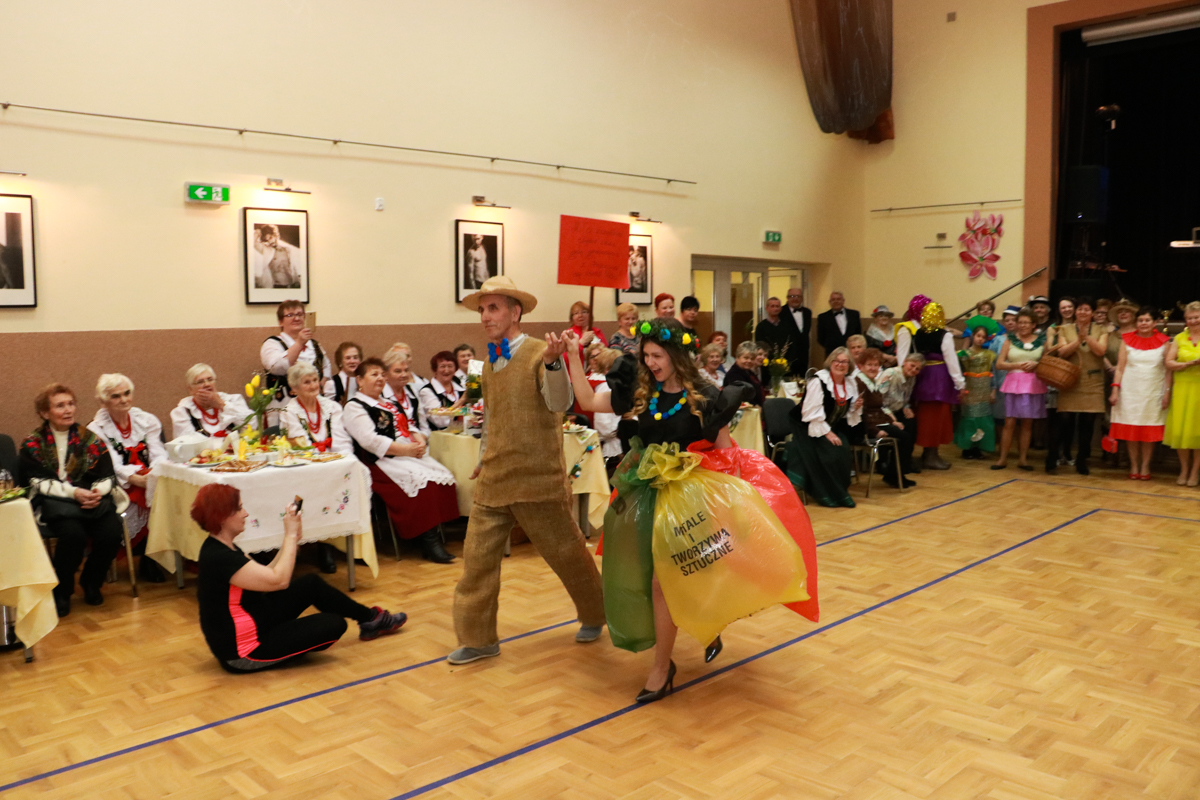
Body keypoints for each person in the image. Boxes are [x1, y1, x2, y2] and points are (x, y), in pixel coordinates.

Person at [564, 318, 806, 703]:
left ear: (676, 355)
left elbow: (727, 455)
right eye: (646, 356)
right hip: (648, 495)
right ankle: (699, 630)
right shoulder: (642, 391)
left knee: (671, 580)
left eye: (658, 355)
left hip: (692, 499)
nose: (651, 363)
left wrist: (730, 508)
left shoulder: (705, 397)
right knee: (657, 577)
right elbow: (589, 401)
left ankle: (662, 668)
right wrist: (573, 356)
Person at [449, 276, 605, 665]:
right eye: (482, 309)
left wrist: (553, 362)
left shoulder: (540, 352)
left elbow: (560, 402)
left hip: (537, 480)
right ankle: (478, 639)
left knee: (568, 555)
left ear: (515, 312)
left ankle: (597, 613)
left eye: (494, 308)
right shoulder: (488, 364)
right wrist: (483, 456)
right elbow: (492, 418)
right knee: (476, 562)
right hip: (495, 478)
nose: (486, 316)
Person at [192, 484, 405, 674]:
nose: (245, 513)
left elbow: (264, 575)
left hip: (257, 621)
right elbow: (279, 581)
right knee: (333, 624)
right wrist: (290, 536)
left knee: (310, 583)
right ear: (222, 517)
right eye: (239, 509)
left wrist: (291, 541)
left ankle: (371, 619)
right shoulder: (220, 557)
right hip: (245, 652)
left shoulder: (220, 547)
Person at [341, 357, 459, 563]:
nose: (380, 378)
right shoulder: (355, 406)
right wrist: (406, 450)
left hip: (407, 452)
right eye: (374, 374)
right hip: (380, 462)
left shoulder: (389, 403)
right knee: (424, 484)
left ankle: (428, 535)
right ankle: (429, 541)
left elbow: (408, 426)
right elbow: (370, 441)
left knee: (444, 477)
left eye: (382, 374)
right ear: (359, 380)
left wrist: (419, 439)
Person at [21, 384, 126, 616]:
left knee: (111, 533)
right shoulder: (33, 444)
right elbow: (37, 482)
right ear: (45, 413)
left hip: (92, 502)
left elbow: (108, 476)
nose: (68, 410)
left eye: (70, 404)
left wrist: (97, 492)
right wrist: (74, 493)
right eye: (60, 406)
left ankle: (92, 582)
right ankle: (62, 591)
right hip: (59, 504)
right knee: (73, 536)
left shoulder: (90, 439)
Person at [88, 373, 168, 583]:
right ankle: (146, 558)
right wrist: (136, 479)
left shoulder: (147, 420)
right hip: (117, 482)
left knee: (169, 492)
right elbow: (112, 465)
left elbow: (158, 452)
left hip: (149, 476)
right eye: (116, 396)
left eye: (126, 393)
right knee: (149, 495)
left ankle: (153, 557)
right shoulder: (96, 429)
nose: (124, 400)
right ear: (103, 401)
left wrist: (154, 473)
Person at [895, 297, 965, 470]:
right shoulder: (945, 336)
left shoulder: (917, 334)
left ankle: (926, 454)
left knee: (923, 416)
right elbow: (952, 361)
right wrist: (960, 384)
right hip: (939, 379)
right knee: (937, 417)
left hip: (922, 376)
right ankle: (930, 455)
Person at [786, 347, 861, 507]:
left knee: (843, 450)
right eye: (836, 361)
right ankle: (827, 495)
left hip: (829, 424)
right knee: (830, 453)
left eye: (844, 362)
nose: (840, 364)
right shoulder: (818, 381)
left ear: (849, 365)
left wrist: (854, 407)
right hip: (806, 424)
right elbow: (810, 412)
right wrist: (828, 433)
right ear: (830, 362)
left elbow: (845, 412)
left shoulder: (850, 383)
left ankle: (840, 492)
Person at [1045, 297, 1107, 475]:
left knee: (1087, 424)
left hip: (1093, 382)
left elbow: (1100, 351)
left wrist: (1086, 336)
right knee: (1063, 421)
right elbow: (1062, 352)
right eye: (1080, 309)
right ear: (1075, 311)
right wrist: (1078, 340)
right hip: (1070, 381)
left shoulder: (1101, 329)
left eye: (1087, 309)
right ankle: (1052, 457)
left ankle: (1081, 460)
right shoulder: (1064, 329)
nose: (1083, 312)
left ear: (1093, 313)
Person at [1110, 306, 1171, 480]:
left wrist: (1167, 393)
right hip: (1130, 392)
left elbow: (1168, 371)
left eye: (1147, 320)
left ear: (1155, 322)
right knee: (1132, 430)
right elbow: (1120, 368)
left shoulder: (1165, 342)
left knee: (1148, 430)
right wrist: (1115, 390)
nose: (1143, 323)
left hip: (1153, 392)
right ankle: (1134, 465)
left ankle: (1145, 466)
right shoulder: (1126, 340)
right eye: (1140, 320)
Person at [992, 309, 1047, 471]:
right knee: (1009, 422)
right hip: (1013, 382)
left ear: (1033, 325)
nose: (1022, 325)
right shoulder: (1009, 341)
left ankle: (1023, 459)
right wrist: (1017, 365)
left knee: (1027, 423)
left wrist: (1037, 364)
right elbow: (999, 364)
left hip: (1033, 384)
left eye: (1026, 323)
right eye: (1020, 322)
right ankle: (1002, 458)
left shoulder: (1042, 341)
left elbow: (1048, 361)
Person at [261, 300, 331, 424]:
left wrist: (320, 383)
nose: (296, 318)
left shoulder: (314, 344)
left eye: (299, 314)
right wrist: (299, 343)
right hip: (283, 406)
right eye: (290, 315)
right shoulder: (272, 343)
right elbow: (276, 368)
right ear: (280, 322)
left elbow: (326, 366)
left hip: (313, 404)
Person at [854, 348, 916, 486]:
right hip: (867, 426)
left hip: (878, 421)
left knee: (907, 430)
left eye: (876, 365)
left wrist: (892, 422)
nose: (873, 368)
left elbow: (879, 407)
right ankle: (895, 475)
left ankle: (896, 474)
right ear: (861, 366)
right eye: (869, 365)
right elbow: (861, 413)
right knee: (905, 438)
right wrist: (874, 431)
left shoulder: (872, 383)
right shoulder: (859, 383)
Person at [1164, 301, 1200, 486]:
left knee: (1197, 433)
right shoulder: (1179, 338)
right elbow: (1169, 363)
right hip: (1182, 389)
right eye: (1189, 318)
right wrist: (1187, 364)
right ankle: (1184, 469)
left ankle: (1195, 472)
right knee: (1181, 432)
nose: (1193, 321)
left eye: (1196, 317)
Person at [171, 364, 252, 439]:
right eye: (200, 382)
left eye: (210, 380)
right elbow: (186, 444)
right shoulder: (182, 412)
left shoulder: (233, 400)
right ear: (190, 389)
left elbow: (252, 425)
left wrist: (221, 404)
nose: (207, 384)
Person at [955, 325, 997, 460]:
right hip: (970, 389)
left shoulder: (989, 355)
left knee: (983, 418)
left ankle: (979, 447)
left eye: (983, 337)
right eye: (978, 336)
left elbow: (993, 373)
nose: (980, 339)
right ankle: (968, 448)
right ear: (973, 336)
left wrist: (993, 390)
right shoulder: (963, 354)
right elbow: (958, 373)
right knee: (970, 417)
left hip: (984, 388)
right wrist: (960, 389)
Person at [381, 344, 430, 436]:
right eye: (398, 371)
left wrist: (422, 438)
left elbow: (424, 427)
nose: (403, 375)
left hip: (418, 441)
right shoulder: (380, 396)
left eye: (406, 370)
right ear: (386, 374)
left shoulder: (413, 393)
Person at [419, 351, 463, 431]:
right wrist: (462, 401)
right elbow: (441, 422)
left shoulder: (461, 389)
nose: (446, 370)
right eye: (442, 366)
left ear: (455, 369)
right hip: (439, 436)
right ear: (435, 370)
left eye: (450, 366)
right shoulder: (427, 392)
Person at [252, 224, 303, 289]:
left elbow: (293, 267)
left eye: (271, 237)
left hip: (290, 285)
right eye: (267, 238)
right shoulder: (266, 249)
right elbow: (253, 242)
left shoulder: (287, 249)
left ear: (277, 235)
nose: (270, 240)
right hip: (275, 286)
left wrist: (297, 281)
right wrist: (258, 232)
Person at [816, 291, 862, 357]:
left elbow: (858, 334)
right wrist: (831, 346)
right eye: (833, 299)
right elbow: (820, 338)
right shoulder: (823, 317)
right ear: (829, 302)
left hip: (851, 353)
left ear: (843, 301)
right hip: (832, 353)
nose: (836, 301)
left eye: (838, 299)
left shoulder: (854, 314)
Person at [780, 287, 813, 375]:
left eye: (798, 296)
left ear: (802, 298)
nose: (795, 299)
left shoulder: (807, 312)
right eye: (792, 296)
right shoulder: (781, 312)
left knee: (803, 379)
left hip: (803, 355)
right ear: (787, 298)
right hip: (787, 356)